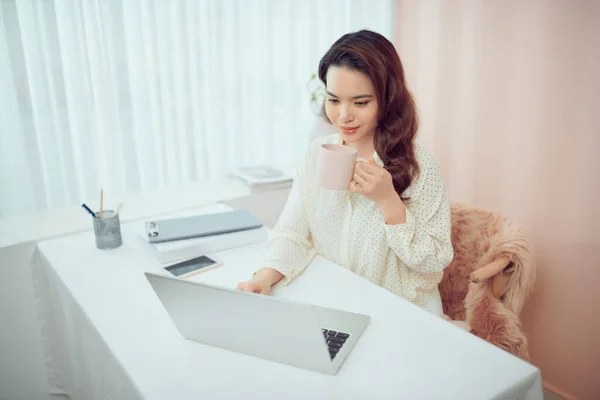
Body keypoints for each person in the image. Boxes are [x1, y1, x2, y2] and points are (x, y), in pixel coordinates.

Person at [236, 29, 454, 316]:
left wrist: (389, 202)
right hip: (338, 303)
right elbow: (292, 232)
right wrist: (263, 277)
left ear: (388, 99)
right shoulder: (317, 154)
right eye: (334, 99)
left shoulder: (420, 167)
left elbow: (435, 260)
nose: (343, 116)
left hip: (405, 310)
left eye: (360, 102)